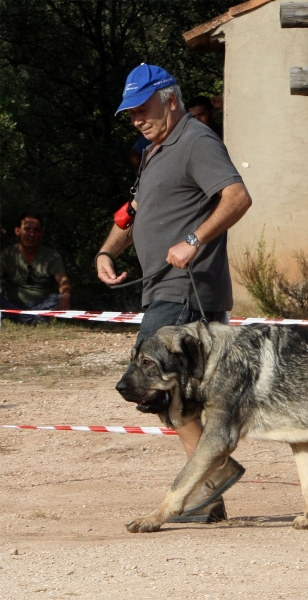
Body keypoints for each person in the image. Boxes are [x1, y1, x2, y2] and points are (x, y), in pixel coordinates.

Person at [95, 64, 252, 523]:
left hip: (186, 291)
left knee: (155, 389)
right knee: (181, 395)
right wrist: (107, 250)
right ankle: (211, 483)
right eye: (130, 113)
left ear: (169, 99)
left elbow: (237, 197)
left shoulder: (196, 140)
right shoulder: (154, 150)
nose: (136, 119)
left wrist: (195, 240)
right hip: (164, 290)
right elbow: (135, 211)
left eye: (143, 109)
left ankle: (211, 477)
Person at [0, 212, 72, 325]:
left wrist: (66, 295)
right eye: (27, 229)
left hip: (42, 305)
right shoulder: (7, 254)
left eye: (36, 230)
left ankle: (19, 320)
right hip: (13, 306)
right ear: (17, 231)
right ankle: (33, 320)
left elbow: (63, 281)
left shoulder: (52, 255)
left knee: (58, 298)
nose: (31, 234)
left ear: (41, 233)